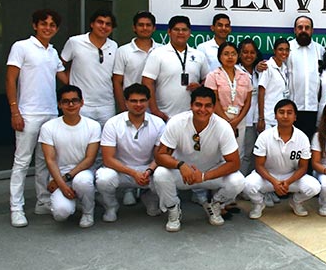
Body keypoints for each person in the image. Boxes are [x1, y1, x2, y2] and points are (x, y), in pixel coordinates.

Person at [152, 87, 246, 232]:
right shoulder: (177, 122)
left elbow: (234, 163)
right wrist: (180, 165)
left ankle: (215, 204)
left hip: (209, 174)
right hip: (183, 174)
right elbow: (160, 155)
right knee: (160, 174)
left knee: (238, 181)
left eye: (208, 105)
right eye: (198, 105)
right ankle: (173, 210)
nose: (202, 109)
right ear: (191, 105)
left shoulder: (223, 127)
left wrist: (203, 176)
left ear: (214, 107)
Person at [6, 9, 68, 227]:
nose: (48, 28)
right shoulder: (21, 47)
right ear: (35, 25)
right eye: (44, 24)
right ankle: (16, 207)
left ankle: (42, 202)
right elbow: (10, 80)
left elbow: (66, 79)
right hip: (27, 113)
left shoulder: (52, 52)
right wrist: (15, 110)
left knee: (45, 161)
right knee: (22, 161)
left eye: (52, 25)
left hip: (50, 113)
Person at [96, 84, 166, 222]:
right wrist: (133, 173)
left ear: (148, 101)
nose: (138, 104)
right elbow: (108, 159)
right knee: (104, 178)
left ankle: (150, 199)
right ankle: (111, 207)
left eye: (142, 100)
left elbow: (160, 156)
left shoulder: (158, 123)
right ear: (126, 102)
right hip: (121, 171)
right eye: (134, 101)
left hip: (147, 171)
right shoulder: (113, 123)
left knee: (165, 175)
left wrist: (149, 171)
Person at [245, 99, 321, 219]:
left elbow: (303, 167)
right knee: (247, 184)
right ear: (275, 115)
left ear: (295, 117)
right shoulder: (265, 136)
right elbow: (259, 166)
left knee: (314, 187)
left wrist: (288, 182)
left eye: (289, 112)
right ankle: (259, 204)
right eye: (281, 112)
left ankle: (296, 202)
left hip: (291, 177)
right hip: (268, 177)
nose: (285, 116)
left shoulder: (302, 138)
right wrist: (274, 182)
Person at [39, 85, 100, 228]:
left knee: (83, 181)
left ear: (82, 102)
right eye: (66, 101)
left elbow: (90, 159)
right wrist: (61, 184)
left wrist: (67, 178)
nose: (71, 105)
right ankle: (75, 202)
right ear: (59, 105)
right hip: (58, 176)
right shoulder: (48, 127)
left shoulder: (93, 126)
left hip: (83, 173)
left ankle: (87, 212)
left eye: (75, 100)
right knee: (61, 214)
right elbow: (50, 159)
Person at [142, 15, 209, 122]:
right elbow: (147, 82)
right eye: (176, 29)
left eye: (184, 30)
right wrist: (155, 111)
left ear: (189, 32)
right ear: (169, 32)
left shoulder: (199, 55)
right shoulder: (158, 54)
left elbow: (208, 80)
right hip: (164, 115)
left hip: (192, 115)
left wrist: (200, 87)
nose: (181, 33)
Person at [61, 9, 118, 128]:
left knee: (105, 144)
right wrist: (68, 81)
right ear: (92, 24)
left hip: (106, 105)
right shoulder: (75, 42)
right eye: (100, 22)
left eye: (108, 24)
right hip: (82, 105)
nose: (103, 26)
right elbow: (58, 65)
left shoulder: (114, 46)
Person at [204, 41, 253, 152]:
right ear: (219, 56)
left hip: (239, 119)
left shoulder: (244, 76)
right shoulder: (213, 76)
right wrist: (226, 121)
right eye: (226, 54)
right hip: (219, 118)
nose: (230, 57)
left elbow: (248, 102)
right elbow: (213, 100)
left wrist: (237, 121)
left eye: (233, 54)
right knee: (219, 152)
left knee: (238, 151)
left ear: (238, 56)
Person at [112, 11, 161, 112]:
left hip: (157, 107)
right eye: (141, 25)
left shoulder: (162, 50)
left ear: (154, 28)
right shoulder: (123, 51)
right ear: (134, 28)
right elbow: (117, 82)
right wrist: (123, 108)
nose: (144, 28)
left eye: (148, 25)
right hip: (132, 106)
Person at [287, 16, 325, 140]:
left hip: (314, 108)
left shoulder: (320, 50)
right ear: (295, 30)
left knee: (310, 145)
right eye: (300, 27)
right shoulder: (287, 49)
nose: (303, 30)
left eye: (307, 28)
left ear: (312, 30)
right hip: (292, 108)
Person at [236, 38, 263, 177]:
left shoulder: (259, 71)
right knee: (243, 154)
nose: (249, 55)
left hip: (256, 118)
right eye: (245, 52)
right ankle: (239, 184)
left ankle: (248, 184)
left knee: (254, 154)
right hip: (241, 119)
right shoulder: (235, 71)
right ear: (239, 54)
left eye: (252, 52)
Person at [258, 38, 290, 130]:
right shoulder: (267, 67)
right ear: (274, 50)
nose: (284, 52)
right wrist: (261, 118)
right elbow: (261, 93)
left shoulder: (285, 68)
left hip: (280, 118)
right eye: (280, 49)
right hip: (267, 118)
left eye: (287, 50)